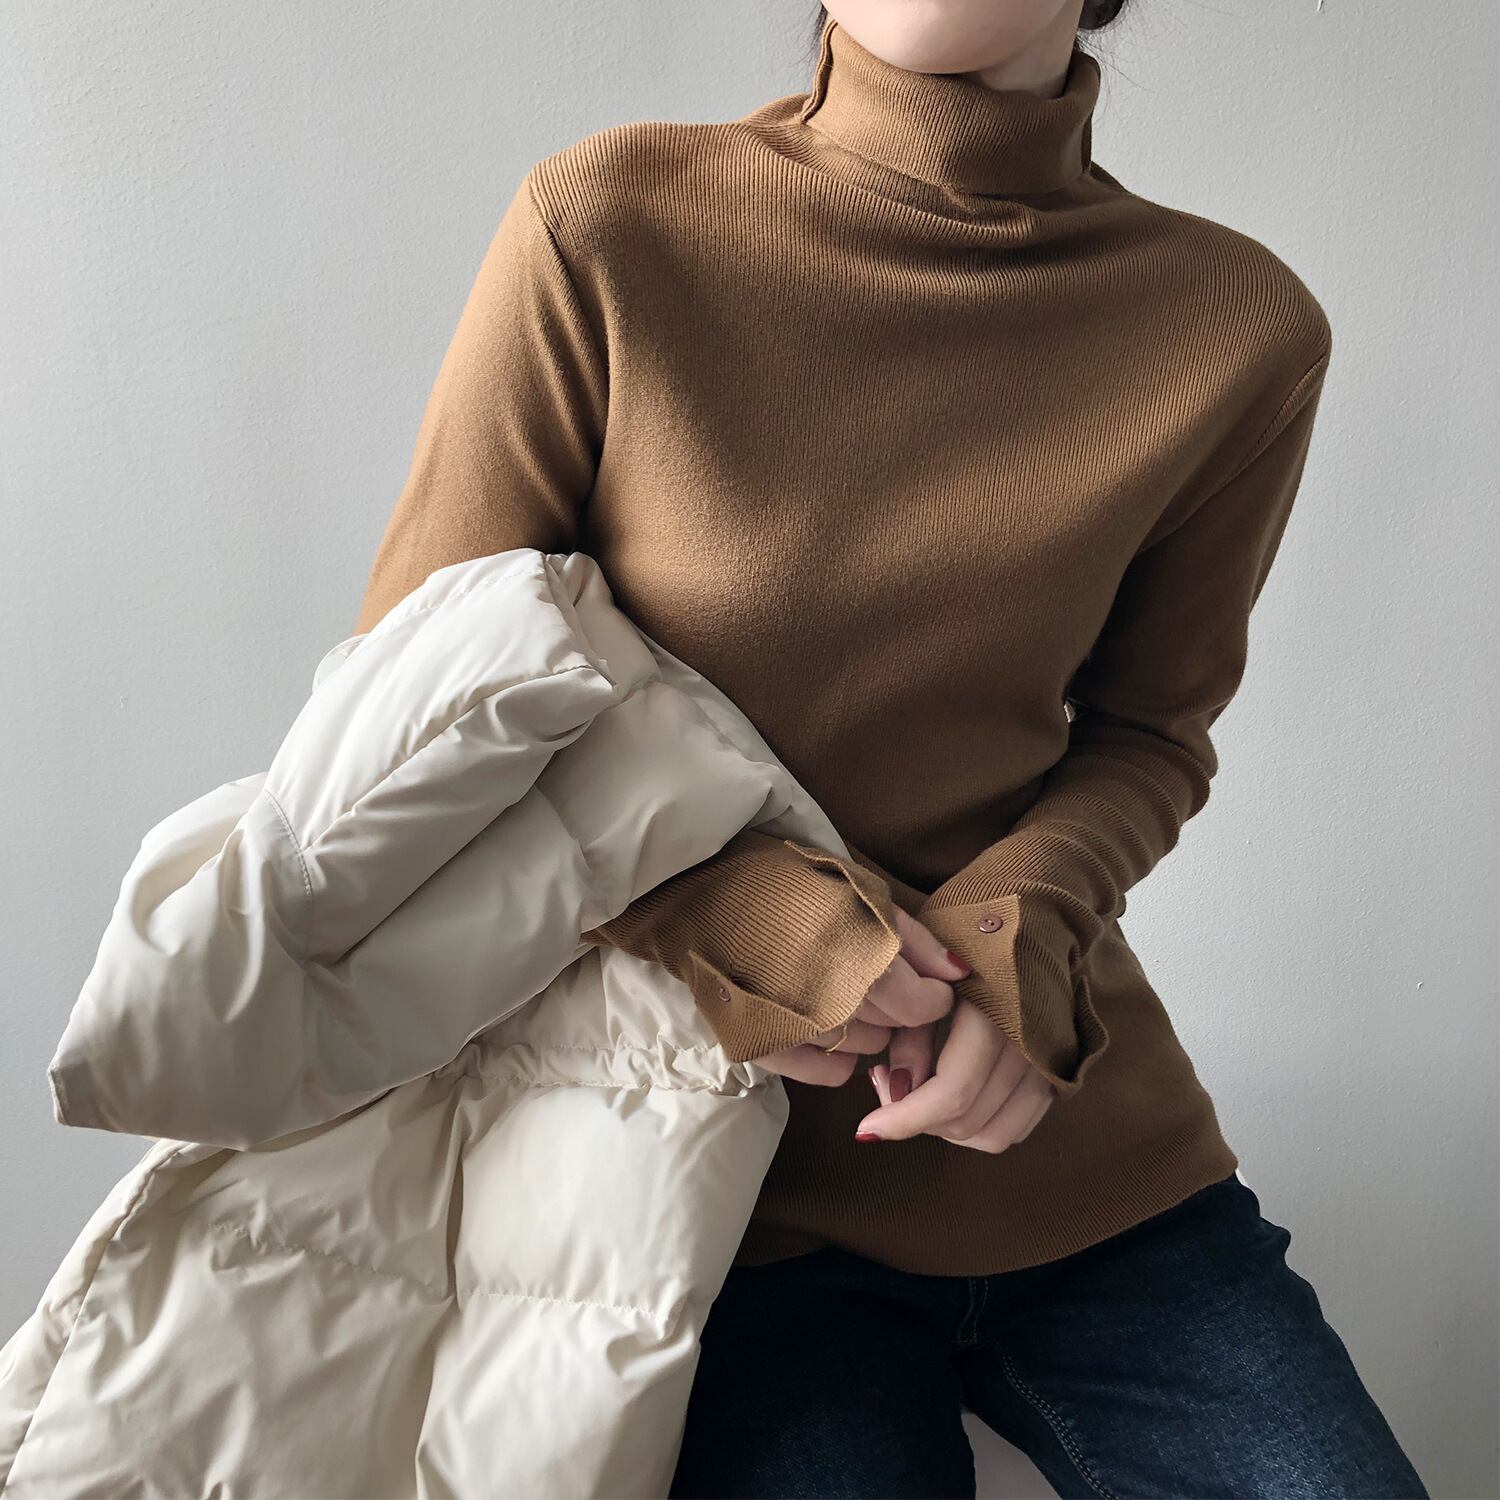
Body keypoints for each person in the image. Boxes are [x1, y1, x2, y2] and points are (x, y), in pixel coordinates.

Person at [352, 1, 1428, 1495]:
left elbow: (1148, 734)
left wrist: (1019, 930)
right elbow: (421, 706)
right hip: (712, 1184)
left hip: (1085, 1158)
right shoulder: (613, 221)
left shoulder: (1235, 324)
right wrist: (735, 911)